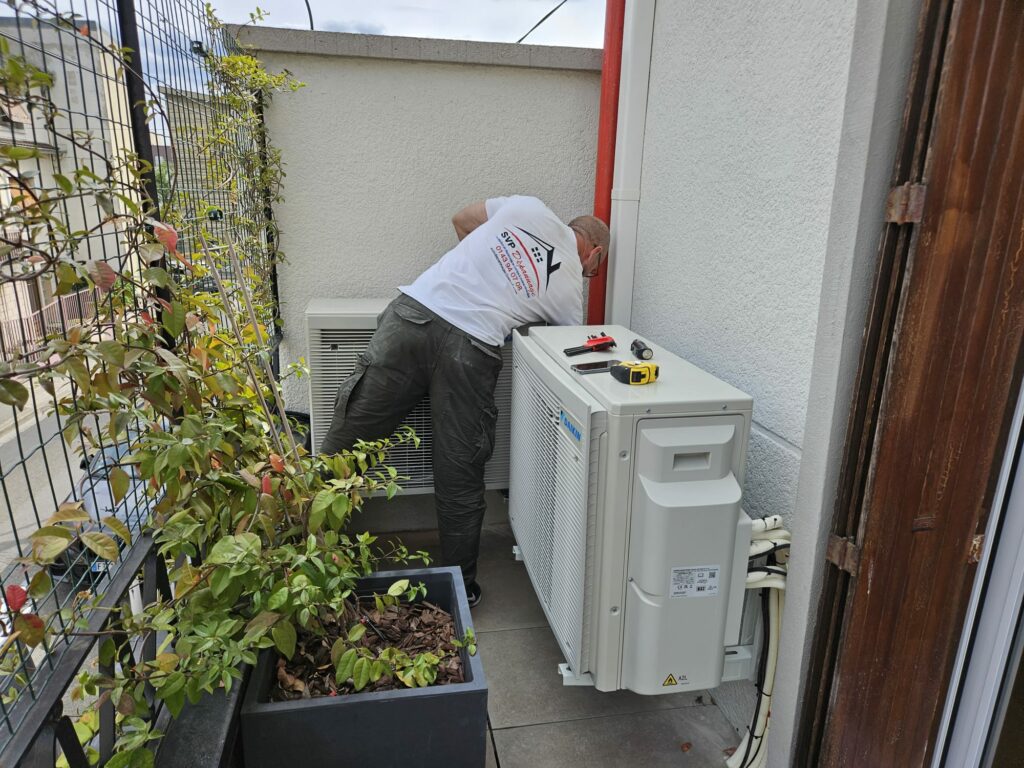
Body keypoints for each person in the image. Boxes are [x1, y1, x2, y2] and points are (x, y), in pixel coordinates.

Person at [320, 195, 609, 607]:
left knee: (348, 440)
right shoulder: (566, 286)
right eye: (593, 272)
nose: (588, 277)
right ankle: (458, 588)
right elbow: (564, 352)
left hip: (411, 316)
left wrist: (478, 277)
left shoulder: (527, 207)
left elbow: (460, 219)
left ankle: (295, 548)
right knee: (459, 471)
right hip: (470, 349)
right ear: (593, 252)